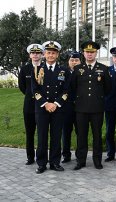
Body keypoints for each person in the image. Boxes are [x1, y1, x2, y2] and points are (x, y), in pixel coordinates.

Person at [71, 41, 112, 170]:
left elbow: (108, 88)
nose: (89, 54)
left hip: (97, 108)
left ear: (96, 53)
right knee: (81, 136)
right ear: (83, 53)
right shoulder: (77, 69)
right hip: (81, 109)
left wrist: (99, 99)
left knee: (97, 136)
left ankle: (97, 160)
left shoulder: (103, 69)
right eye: (87, 52)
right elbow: (72, 88)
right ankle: (81, 161)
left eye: (92, 52)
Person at [31, 41, 70, 174]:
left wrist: (56, 104)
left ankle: (54, 162)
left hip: (58, 109)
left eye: (53, 53)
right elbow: (34, 90)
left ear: (57, 55)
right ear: (44, 54)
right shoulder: (37, 70)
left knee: (56, 136)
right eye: (48, 53)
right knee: (41, 136)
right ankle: (41, 163)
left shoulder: (63, 71)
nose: (50, 55)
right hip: (42, 109)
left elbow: (66, 91)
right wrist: (46, 103)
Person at [18, 44, 43, 165]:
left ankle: (41, 157)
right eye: (33, 53)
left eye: (38, 53)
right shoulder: (25, 69)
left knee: (42, 133)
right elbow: (22, 86)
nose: (35, 55)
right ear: (30, 55)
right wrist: (30, 95)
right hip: (29, 106)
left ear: (41, 54)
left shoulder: (45, 67)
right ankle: (30, 157)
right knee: (30, 133)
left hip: (42, 105)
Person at [61, 51, 81, 163]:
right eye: (72, 60)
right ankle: (66, 155)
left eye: (76, 60)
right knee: (66, 132)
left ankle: (79, 155)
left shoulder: (83, 71)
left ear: (80, 61)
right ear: (68, 61)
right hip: (66, 107)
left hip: (80, 107)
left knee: (80, 132)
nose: (74, 62)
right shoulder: (62, 72)